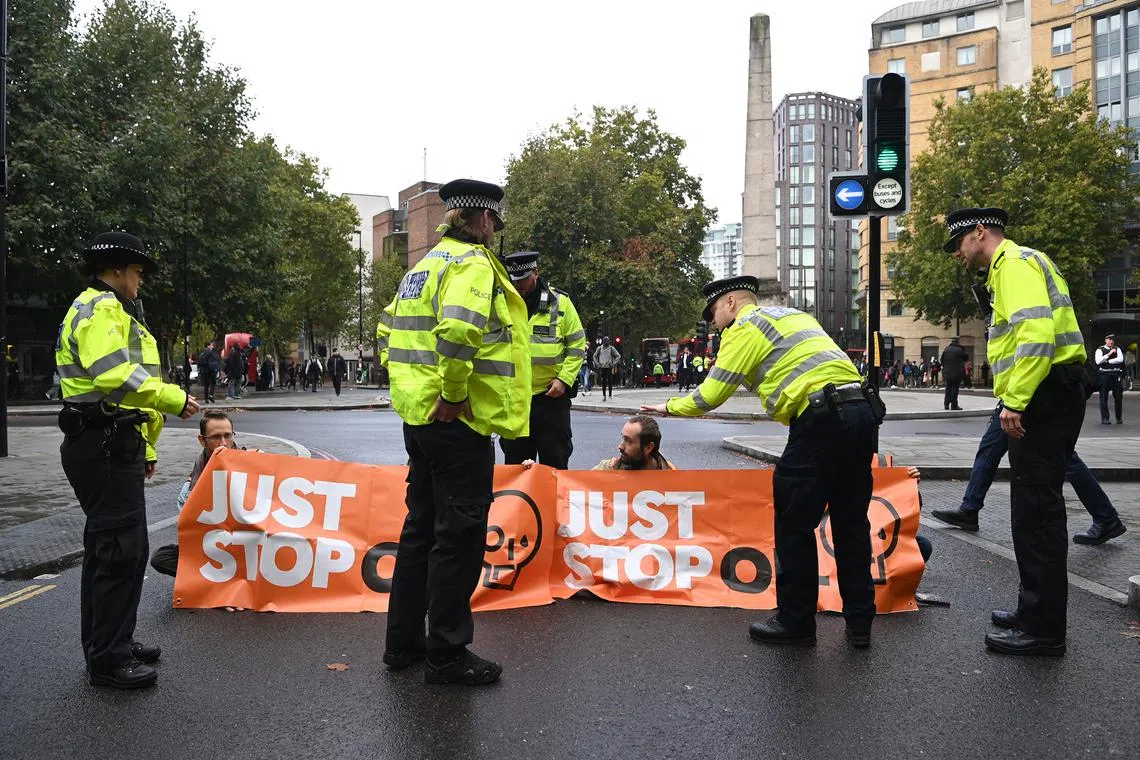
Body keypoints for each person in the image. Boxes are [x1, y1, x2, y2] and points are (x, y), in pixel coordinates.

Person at [641, 275, 884, 649]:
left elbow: (711, 394)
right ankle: (860, 625)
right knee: (850, 523)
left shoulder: (743, 328)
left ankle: (796, 622)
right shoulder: (795, 316)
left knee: (794, 525)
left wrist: (668, 407)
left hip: (819, 420)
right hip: (860, 413)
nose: (714, 321)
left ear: (732, 303)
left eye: (714, 312)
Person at [376, 178, 530, 686]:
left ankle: (403, 645)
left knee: (419, 531)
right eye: (492, 223)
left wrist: (417, 389)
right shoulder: (472, 264)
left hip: (418, 418)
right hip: (455, 418)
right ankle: (446, 653)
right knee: (458, 538)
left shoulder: (421, 268)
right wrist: (455, 391)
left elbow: (387, 333)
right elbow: (460, 331)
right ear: (483, 220)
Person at [55, 231, 200, 689]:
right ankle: (108, 659)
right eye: (137, 272)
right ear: (117, 269)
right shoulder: (102, 309)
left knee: (121, 548)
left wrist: (148, 447)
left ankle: (114, 638)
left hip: (113, 439)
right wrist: (175, 398)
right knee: (117, 552)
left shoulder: (106, 308)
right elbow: (115, 374)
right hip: (101, 441)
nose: (140, 281)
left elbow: (123, 392)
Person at [944, 206, 1086, 656]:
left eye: (959, 244)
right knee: (1030, 509)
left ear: (980, 233)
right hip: (1050, 393)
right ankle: (1033, 611)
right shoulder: (1020, 264)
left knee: (1038, 513)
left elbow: (1037, 338)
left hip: (1044, 396)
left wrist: (1016, 401)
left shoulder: (1014, 265)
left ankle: (1043, 630)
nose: (957, 255)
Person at [931, 402, 1127, 545]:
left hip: (1029, 401)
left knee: (1065, 457)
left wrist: (1015, 403)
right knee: (989, 449)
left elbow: (1032, 362)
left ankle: (1106, 517)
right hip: (1015, 400)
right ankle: (969, 510)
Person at [498, 251, 586, 470]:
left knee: (554, 465)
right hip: (515, 399)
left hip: (550, 399)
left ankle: (553, 506)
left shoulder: (561, 303)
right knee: (516, 467)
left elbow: (576, 345)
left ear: (535, 273)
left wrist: (564, 380)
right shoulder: (502, 303)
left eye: (523, 279)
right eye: (513, 280)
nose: (518, 285)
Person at [149, 409, 257, 576]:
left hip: (244, 544)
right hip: (215, 544)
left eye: (228, 436)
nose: (223, 443)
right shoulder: (202, 462)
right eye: (215, 437)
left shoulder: (250, 460)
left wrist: (264, 466)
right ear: (202, 440)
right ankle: (212, 582)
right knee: (161, 558)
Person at [1095, 333, 1124, 425]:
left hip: (1115, 374)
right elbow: (1098, 361)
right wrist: (1109, 354)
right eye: (1109, 339)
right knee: (1103, 397)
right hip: (1104, 375)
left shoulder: (1117, 348)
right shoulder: (1100, 350)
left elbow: (1120, 359)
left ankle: (1118, 418)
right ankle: (1105, 418)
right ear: (1105, 340)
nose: (1111, 341)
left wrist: (1107, 361)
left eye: (1112, 339)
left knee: (1118, 398)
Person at [940, 337, 968, 410]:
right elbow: (966, 358)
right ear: (958, 342)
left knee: (948, 388)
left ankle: (946, 404)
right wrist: (963, 348)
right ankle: (954, 405)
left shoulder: (946, 349)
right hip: (956, 373)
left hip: (947, 373)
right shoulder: (960, 350)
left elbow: (941, 360)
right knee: (955, 388)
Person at [592, 336, 621, 401]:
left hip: (609, 367)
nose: (607, 342)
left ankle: (610, 395)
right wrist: (597, 364)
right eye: (606, 341)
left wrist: (613, 363)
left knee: (610, 382)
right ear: (603, 341)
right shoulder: (599, 348)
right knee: (603, 382)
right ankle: (604, 396)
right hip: (602, 367)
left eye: (608, 341)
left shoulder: (611, 348)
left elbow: (618, 356)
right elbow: (594, 356)